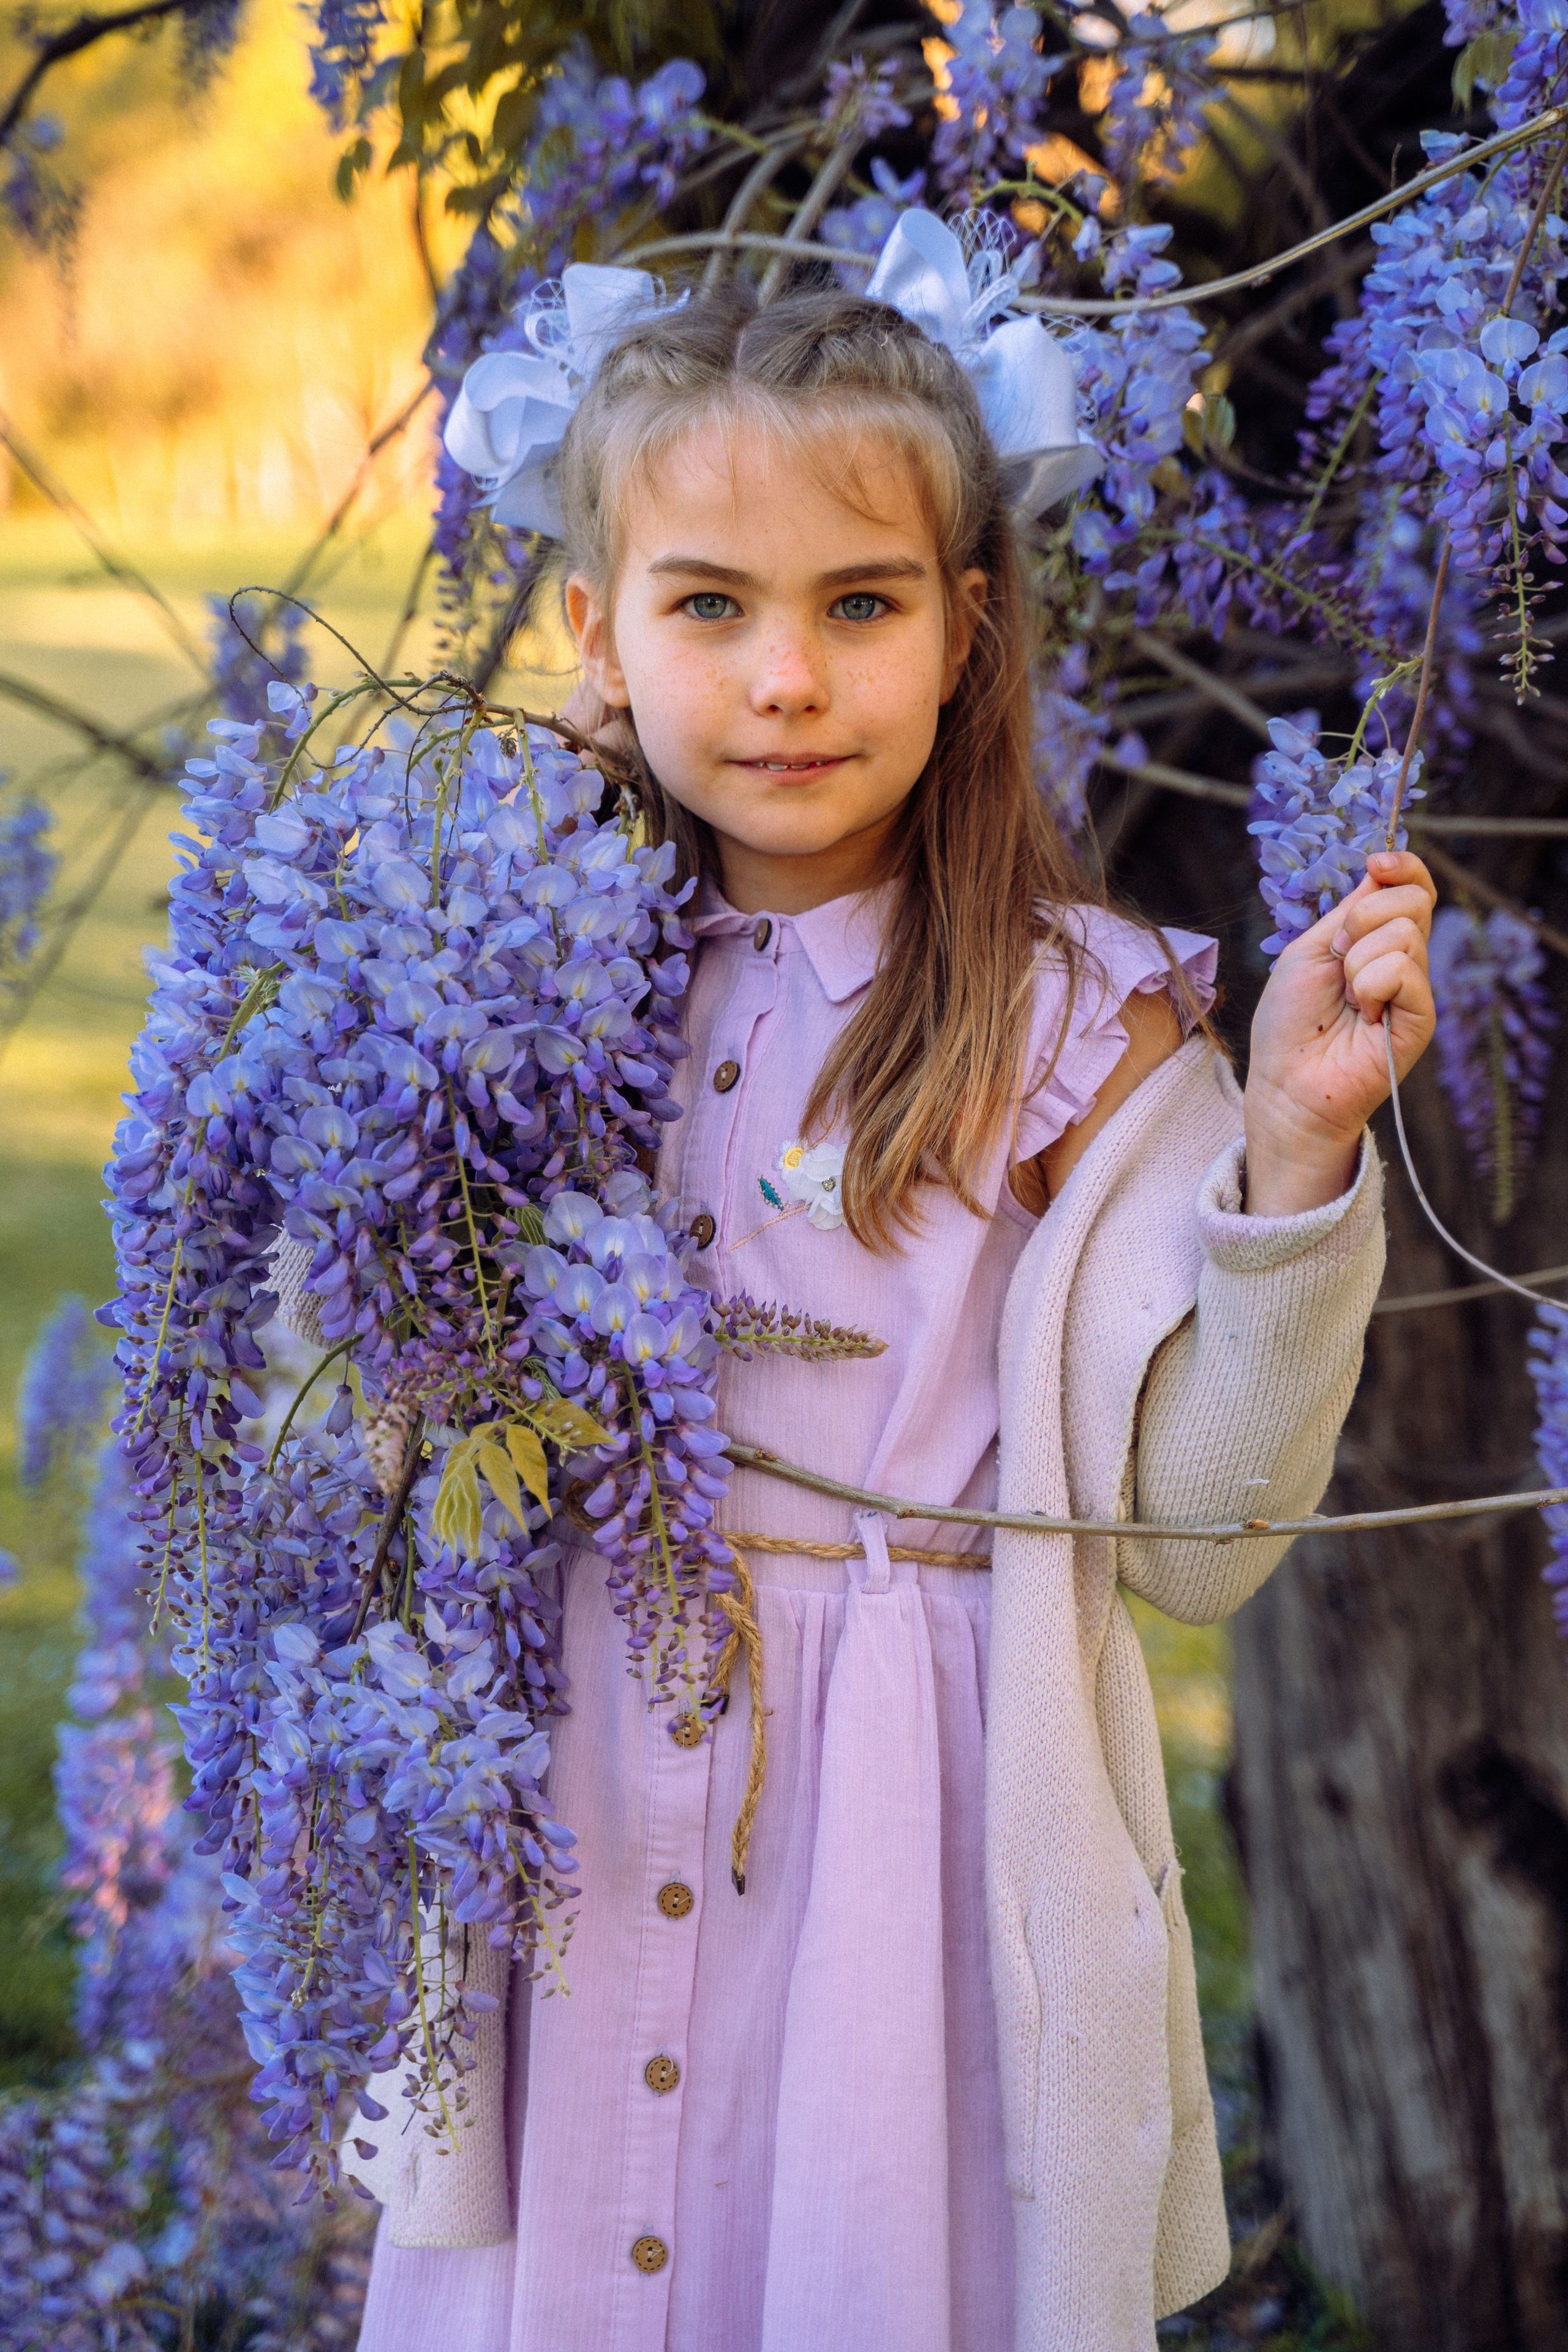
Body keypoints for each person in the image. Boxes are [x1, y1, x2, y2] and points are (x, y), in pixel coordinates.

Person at [353, 231, 1435, 2352]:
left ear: (967, 627)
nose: (785, 679)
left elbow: (1200, 1542)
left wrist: (1294, 1165)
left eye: (860, 605)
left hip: (910, 1850)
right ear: (596, 630)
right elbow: (394, 1392)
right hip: (576, 1776)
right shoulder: (526, 982)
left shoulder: (1077, 1025)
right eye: (709, 607)